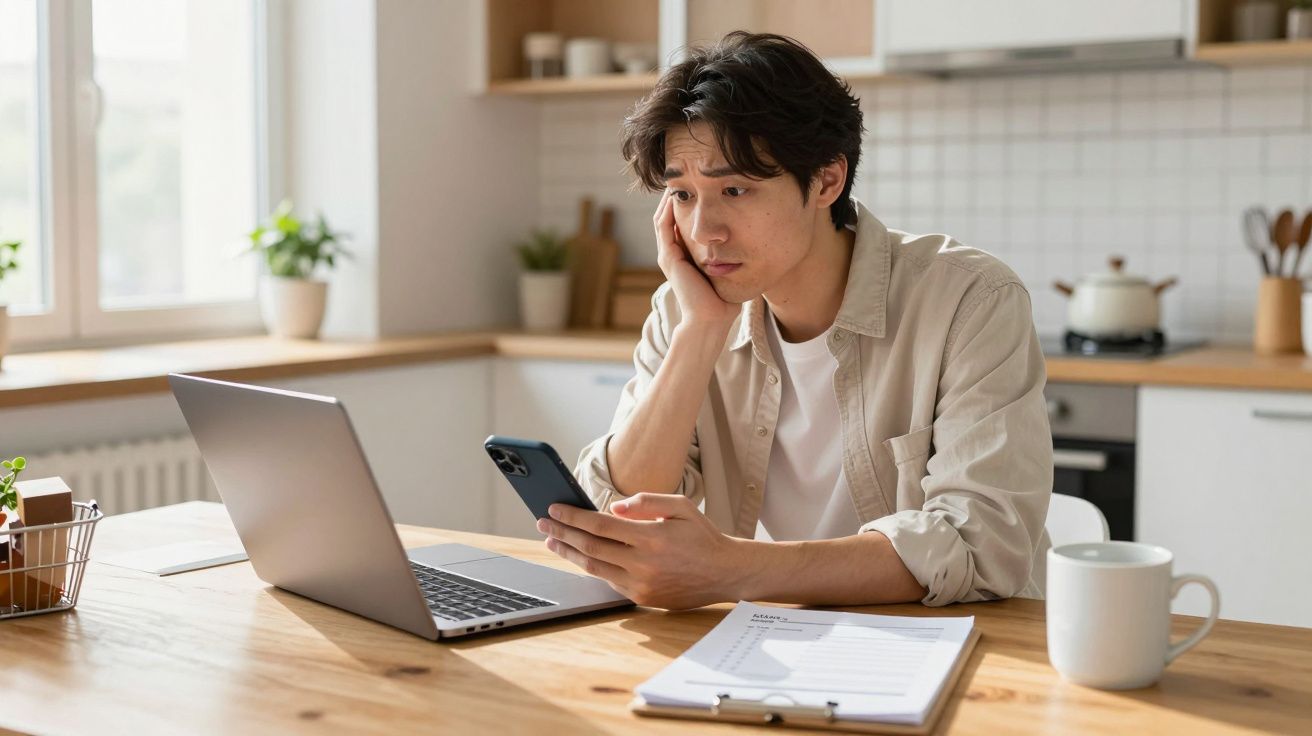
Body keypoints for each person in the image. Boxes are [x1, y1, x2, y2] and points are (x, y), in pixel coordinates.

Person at [535, 32, 1053, 610]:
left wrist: (730, 569)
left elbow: (981, 544)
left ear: (827, 181)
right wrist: (701, 332)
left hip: (962, 642)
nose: (704, 231)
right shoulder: (686, 309)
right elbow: (623, 513)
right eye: (682, 195)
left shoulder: (971, 300)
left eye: (734, 188)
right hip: (772, 637)